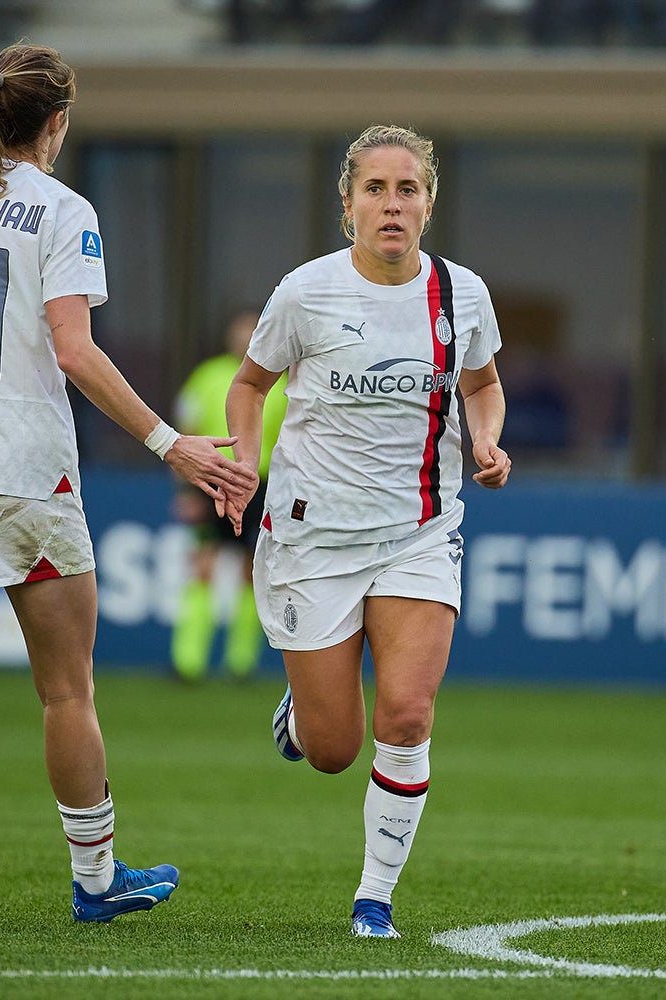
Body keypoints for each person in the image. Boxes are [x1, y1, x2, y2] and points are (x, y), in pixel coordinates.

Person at [0, 43, 255, 927]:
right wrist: (169, 444)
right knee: (66, 688)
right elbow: (73, 351)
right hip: (22, 475)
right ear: (56, 124)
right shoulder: (63, 211)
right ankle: (96, 879)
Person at [225, 124, 511, 939]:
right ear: (347, 203)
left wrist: (485, 440)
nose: (392, 205)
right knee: (332, 750)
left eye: (407, 189)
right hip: (312, 539)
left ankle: (373, 901)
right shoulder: (305, 292)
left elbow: (484, 386)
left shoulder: (463, 295)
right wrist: (245, 457)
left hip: (420, 530)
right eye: (375, 190)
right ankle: (303, 715)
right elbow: (249, 388)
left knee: (408, 717)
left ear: (429, 202)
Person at [169, 309, 287, 683]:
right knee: (202, 566)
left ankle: (241, 663)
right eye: (240, 330)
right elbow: (185, 429)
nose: (245, 337)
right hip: (210, 480)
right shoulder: (208, 376)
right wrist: (185, 489)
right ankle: (188, 661)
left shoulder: (282, 385)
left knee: (250, 571)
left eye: (253, 330)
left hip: (261, 486)